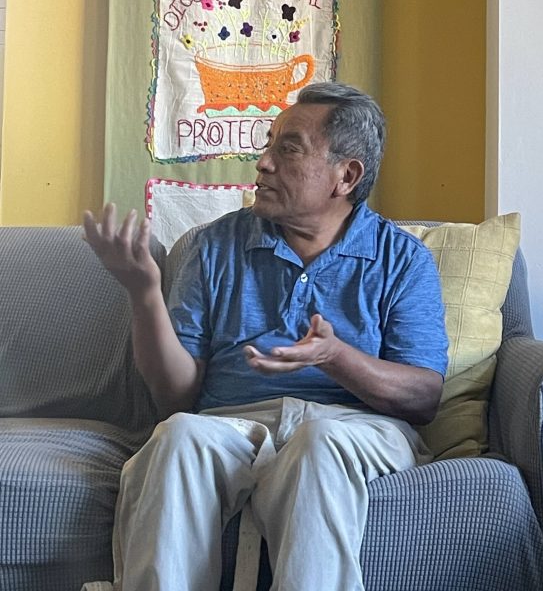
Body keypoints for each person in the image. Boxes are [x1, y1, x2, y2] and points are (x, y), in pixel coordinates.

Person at [82, 82, 448, 591]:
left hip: (350, 427)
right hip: (231, 423)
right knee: (177, 436)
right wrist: (143, 291)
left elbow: (424, 397)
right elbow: (176, 398)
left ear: (347, 175)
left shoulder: (402, 260)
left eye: (288, 148)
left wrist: (334, 356)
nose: (263, 163)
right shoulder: (214, 246)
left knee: (319, 443)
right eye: (267, 145)